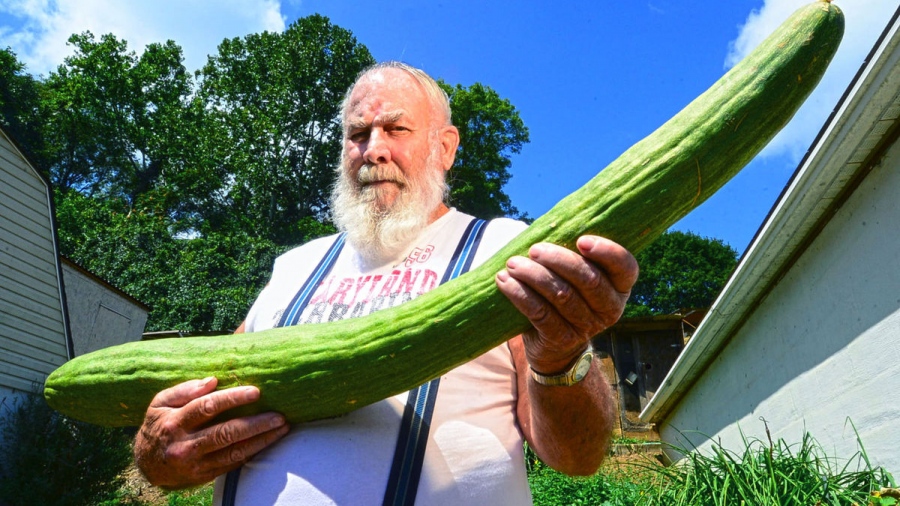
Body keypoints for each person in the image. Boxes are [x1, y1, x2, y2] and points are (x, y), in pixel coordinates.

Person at [133, 61, 639, 505]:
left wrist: (561, 356)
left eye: (396, 129)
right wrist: (158, 455)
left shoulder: (503, 249)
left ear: (445, 148)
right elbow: (199, 414)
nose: (373, 149)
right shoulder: (292, 267)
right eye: (358, 134)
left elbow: (577, 458)